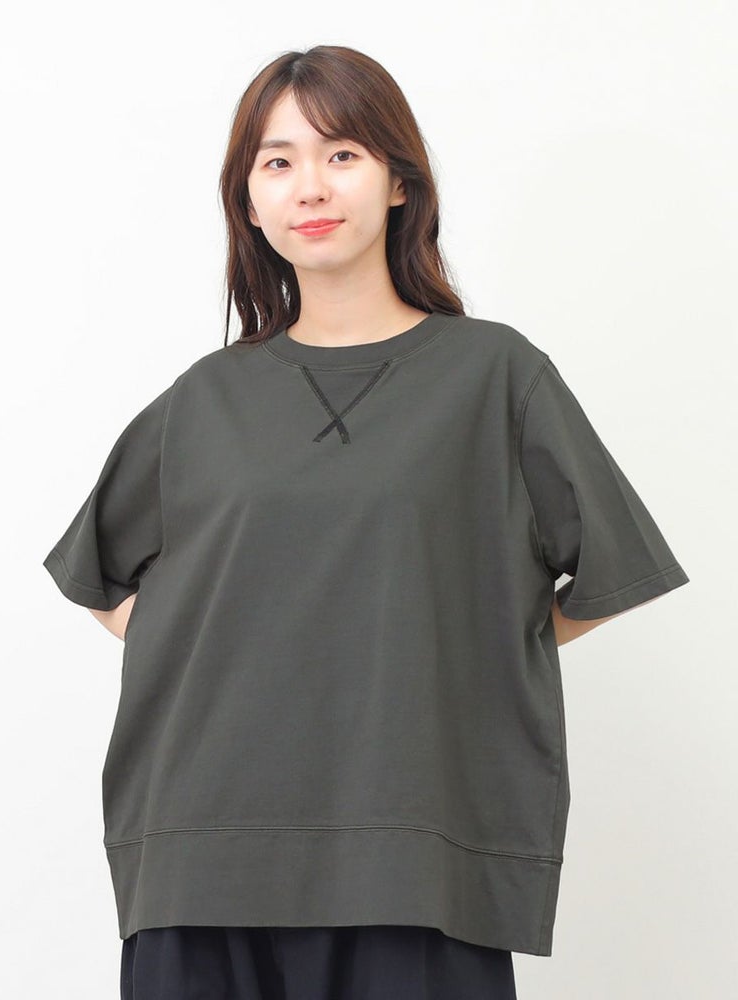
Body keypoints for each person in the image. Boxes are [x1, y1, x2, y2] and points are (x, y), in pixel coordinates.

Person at [42, 44, 690, 1000]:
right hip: (201, 851)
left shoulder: (494, 377)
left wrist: (469, 641)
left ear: (399, 181)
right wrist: (212, 639)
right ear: (249, 201)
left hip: (414, 859)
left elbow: (609, 571)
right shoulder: (204, 399)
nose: (311, 185)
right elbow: (95, 571)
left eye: (342, 153)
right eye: (278, 161)